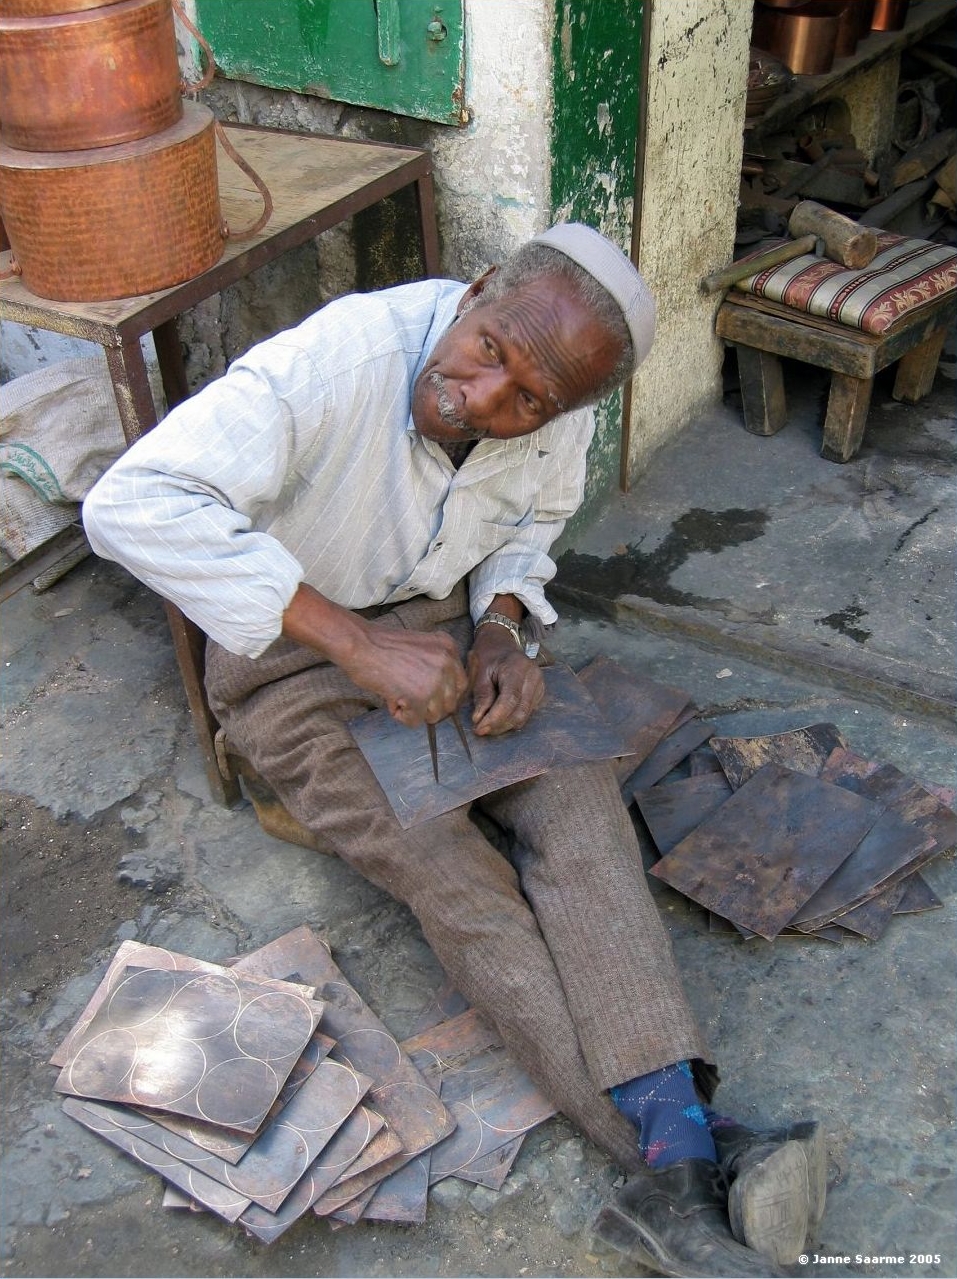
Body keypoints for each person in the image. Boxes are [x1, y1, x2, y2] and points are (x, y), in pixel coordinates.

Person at [83, 222, 824, 1277]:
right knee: (452, 869)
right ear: (476, 292)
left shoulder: (560, 403)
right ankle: (677, 1147)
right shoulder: (335, 365)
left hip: (445, 630)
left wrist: (501, 630)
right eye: (489, 351)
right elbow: (129, 503)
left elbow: (529, 523)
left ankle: (676, 1164)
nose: (483, 399)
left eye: (529, 399)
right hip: (291, 663)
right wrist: (354, 643)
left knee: (581, 808)